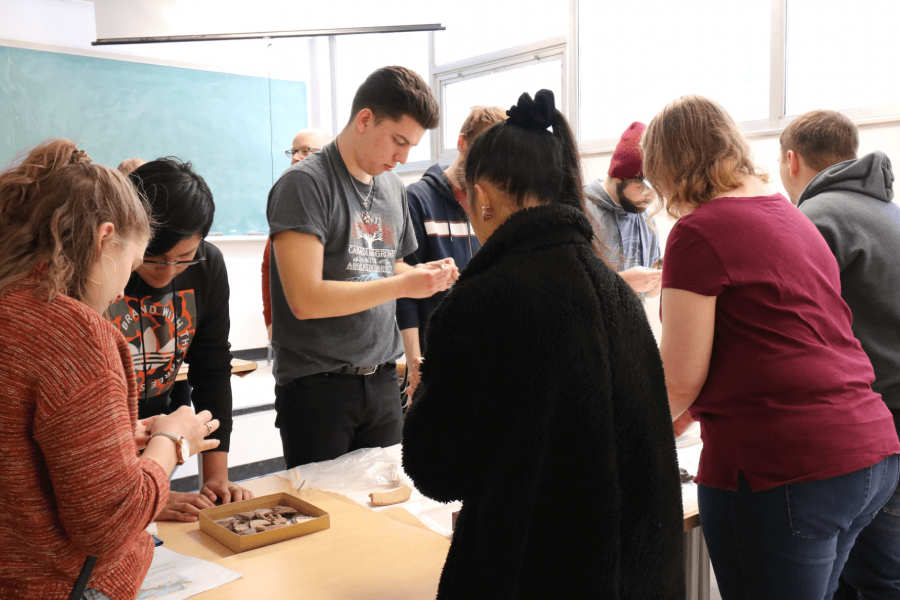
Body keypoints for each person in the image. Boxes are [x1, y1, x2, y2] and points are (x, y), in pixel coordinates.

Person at [402, 90, 685, 599]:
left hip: (530, 569)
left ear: (482, 194)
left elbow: (437, 468)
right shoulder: (616, 291)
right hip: (635, 575)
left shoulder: (478, 304)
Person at [645, 95, 900, 600]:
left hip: (787, 468)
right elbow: (777, 344)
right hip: (869, 453)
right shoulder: (792, 218)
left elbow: (678, 379)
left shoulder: (699, 232)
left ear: (669, 170)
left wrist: (621, 438)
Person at [0, 139, 219, 599]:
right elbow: (108, 525)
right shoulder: (75, 332)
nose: (123, 289)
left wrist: (116, 439)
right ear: (104, 239)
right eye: (135, 263)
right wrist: (172, 440)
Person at [266, 66, 457, 469]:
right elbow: (305, 298)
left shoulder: (391, 187)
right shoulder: (305, 184)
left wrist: (425, 275)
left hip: (384, 379)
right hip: (318, 387)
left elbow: (390, 265)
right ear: (365, 120)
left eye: (412, 146)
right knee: (325, 520)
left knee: (384, 517)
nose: (403, 157)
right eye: (398, 141)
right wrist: (403, 286)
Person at [779, 109, 900, 600]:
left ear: (791, 160)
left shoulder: (813, 220)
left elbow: (793, 331)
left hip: (866, 433)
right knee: (885, 579)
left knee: (860, 580)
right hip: (891, 430)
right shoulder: (890, 215)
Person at [107, 158, 251, 522]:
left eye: (184, 258)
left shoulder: (208, 265)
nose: (168, 271)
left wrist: (216, 477)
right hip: (103, 452)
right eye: (155, 259)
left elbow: (212, 368)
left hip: (157, 438)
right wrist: (145, 499)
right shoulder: (105, 271)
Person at [397, 106, 506, 398]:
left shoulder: (490, 207)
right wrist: (413, 365)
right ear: (462, 143)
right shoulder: (417, 200)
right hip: (435, 362)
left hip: (484, 362)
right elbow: (404, 292)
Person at [262, 128, 334, 340]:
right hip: (298, 339)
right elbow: (268, 266)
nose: (295, 158)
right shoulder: (289, 204)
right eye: (293, 151)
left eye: (305, 150)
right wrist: (270, 321)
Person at [584, 121, 662, 297]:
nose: (650, 197)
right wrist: (623, 281)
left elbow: (648, 293)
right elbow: (567, 289)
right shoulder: (580, 210)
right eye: (643, 187)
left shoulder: (645, 215)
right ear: (619, 177)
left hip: (631, 323)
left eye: (656, 190)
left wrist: (663, 275)